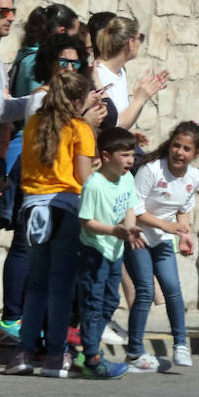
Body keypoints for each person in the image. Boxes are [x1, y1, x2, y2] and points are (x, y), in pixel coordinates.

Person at [4, 72, 99, 377]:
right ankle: (56, 355)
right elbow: (84, 177)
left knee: (36, 286)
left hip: (32, 209)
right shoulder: (79, 128)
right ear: (77, 100)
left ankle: (24, 352)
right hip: (64, 207)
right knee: (60, 288)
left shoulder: (34, 124)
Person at [123, 121, 199, 371]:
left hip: (162, 240)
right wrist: (166, 226)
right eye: (176, 145)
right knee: (145, 290)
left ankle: (181, 344)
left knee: (173, 288)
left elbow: (183, 210)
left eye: (186, 149)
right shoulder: (151, 170)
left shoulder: (194, 177)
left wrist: (184, 235)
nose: (179, 152)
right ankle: (135, 352)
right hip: (138, 236)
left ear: (195, 154)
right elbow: (134, 210)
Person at [78, 128, 144, 379]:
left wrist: (129, 228)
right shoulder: (94, 184)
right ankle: (92, 358)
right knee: (93, 304)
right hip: (95, 252)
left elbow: (129, 207)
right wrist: (112, 231)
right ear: (105, 156)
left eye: (132, 155)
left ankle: (90, 347)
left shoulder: (126, 177)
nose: (130, 160)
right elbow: (86, 222)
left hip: (115, 251)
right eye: (125, 155)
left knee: (109, 302)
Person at [94, 16, 169, 138]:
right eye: (141, 38)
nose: (141, 43)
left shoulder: (120, 72)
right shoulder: (98, 75)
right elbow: (113, 127)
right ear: (130, 43)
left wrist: (141, 97)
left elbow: (123, 122)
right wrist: (140, 99)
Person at [9, 3, 79, 98]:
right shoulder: (35, 60)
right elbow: (40, 100)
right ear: (61, 32)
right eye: (74, 37)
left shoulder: (28, 53)